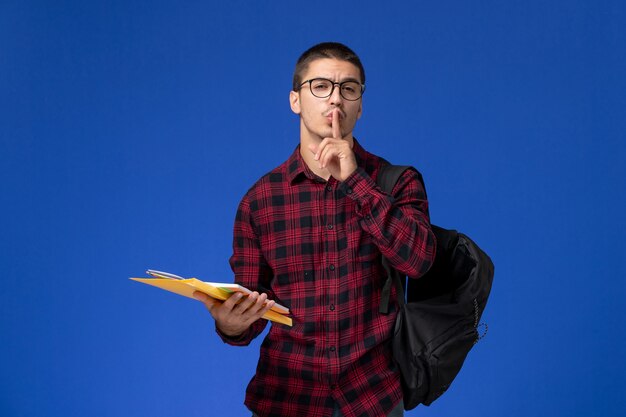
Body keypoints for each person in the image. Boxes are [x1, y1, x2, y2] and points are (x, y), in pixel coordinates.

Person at [193, 42, 436, 417]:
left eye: (348, 89)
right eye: (320, 86)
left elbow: (419, 261)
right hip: (286, 398)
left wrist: (354, 179)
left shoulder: (397, 183)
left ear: (360, 105)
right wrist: (231, 325)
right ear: (295, 100)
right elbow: (252, 306)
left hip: (371, 399)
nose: (335, 99)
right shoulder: (260, 200)